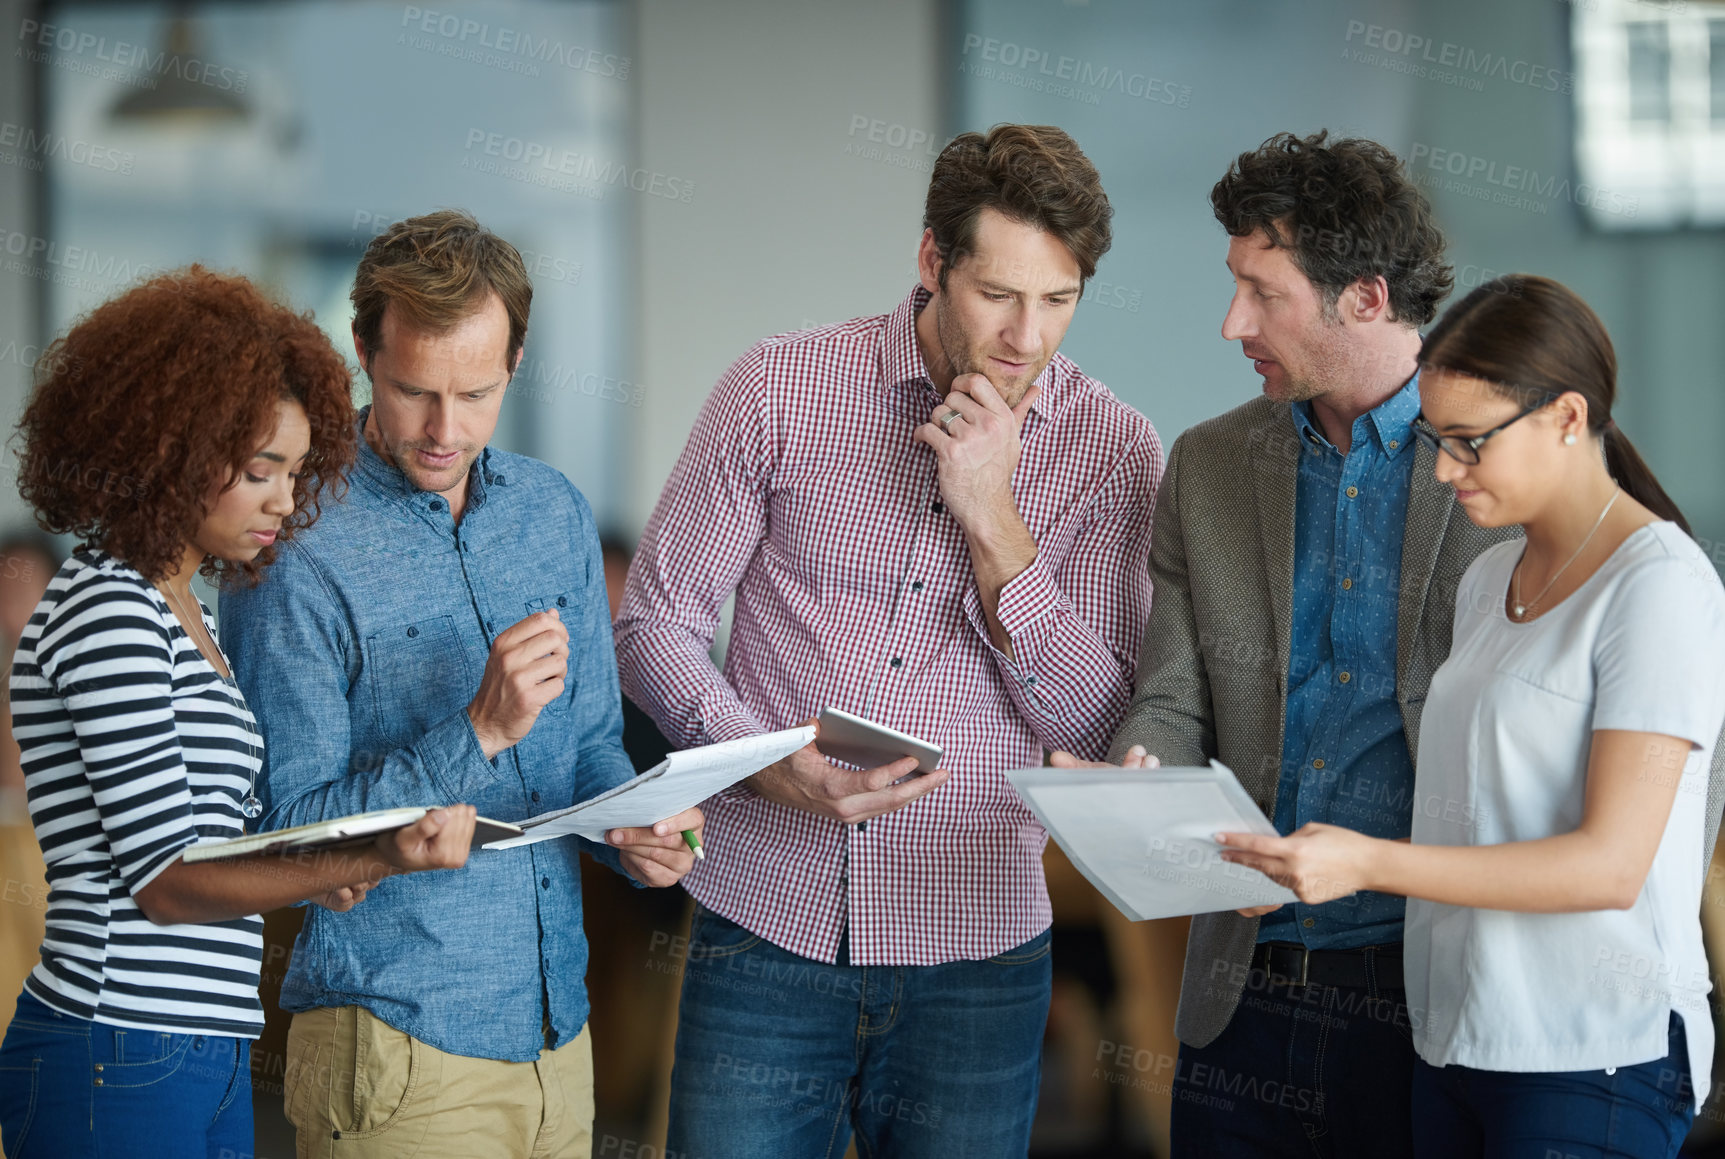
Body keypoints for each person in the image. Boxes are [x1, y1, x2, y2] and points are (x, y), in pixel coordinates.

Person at [615, 123, 1165, 1156]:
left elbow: (1099, 721)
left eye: (1058, 300)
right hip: (763, 926)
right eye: (997, 295)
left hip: (978, 953)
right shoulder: (779, 388)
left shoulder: (1116, 450)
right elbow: (655, 624)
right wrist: (772, 764)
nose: (1027, 336)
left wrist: (995, 521)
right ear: (931, 262)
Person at [1059, 130, 1517, 1156]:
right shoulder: (1211, 465)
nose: (1233, 324)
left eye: (1264, 294)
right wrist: (1141, 770)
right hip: (1243, 1001)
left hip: (1442, 996)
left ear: (1364, 295)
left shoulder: (1506, 465)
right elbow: (1173, 692)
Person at [218, 210, 703, 1159]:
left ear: (516, 361)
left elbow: (594, 741)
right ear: (361, 351)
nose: (445, 430)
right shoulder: (293, 539)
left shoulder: (554, 513)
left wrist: (634, 834)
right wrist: (475, 730)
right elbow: (289, 834)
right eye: (412, 392)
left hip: (558, 1039)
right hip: (394, 1043)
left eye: (476, 393)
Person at [1217, 275, 1725, 1159]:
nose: (1444, 470)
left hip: (1588, 1052)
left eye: (1467, 444)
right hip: (1454, 1039)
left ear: (1567, 418)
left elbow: (1609, 866)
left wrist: (1365, 861)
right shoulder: (1489, 581)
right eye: (1434, 440)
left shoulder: (1660, 589)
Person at [0, 267, 478, 1158]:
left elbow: (211, 841)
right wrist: (364, 853)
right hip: (119, 1043)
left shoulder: (188, 610)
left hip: (193, 1047)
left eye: (296, 472)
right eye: (262, 470)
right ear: (168, 448)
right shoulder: (110, 607)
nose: (286, 502)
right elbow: (168, 877)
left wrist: (317, 864)